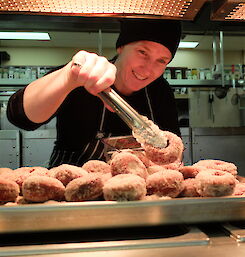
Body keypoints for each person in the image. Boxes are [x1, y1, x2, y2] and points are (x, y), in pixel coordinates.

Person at [7, 19, 182, 168]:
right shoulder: (85, 73)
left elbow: (172, 149)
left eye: (161, 61)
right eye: (142, 52)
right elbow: (20, 117)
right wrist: (69, 77)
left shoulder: (160, 90)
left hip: (137, 194)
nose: (148, 69)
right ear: (121, 47)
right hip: (71, 193)